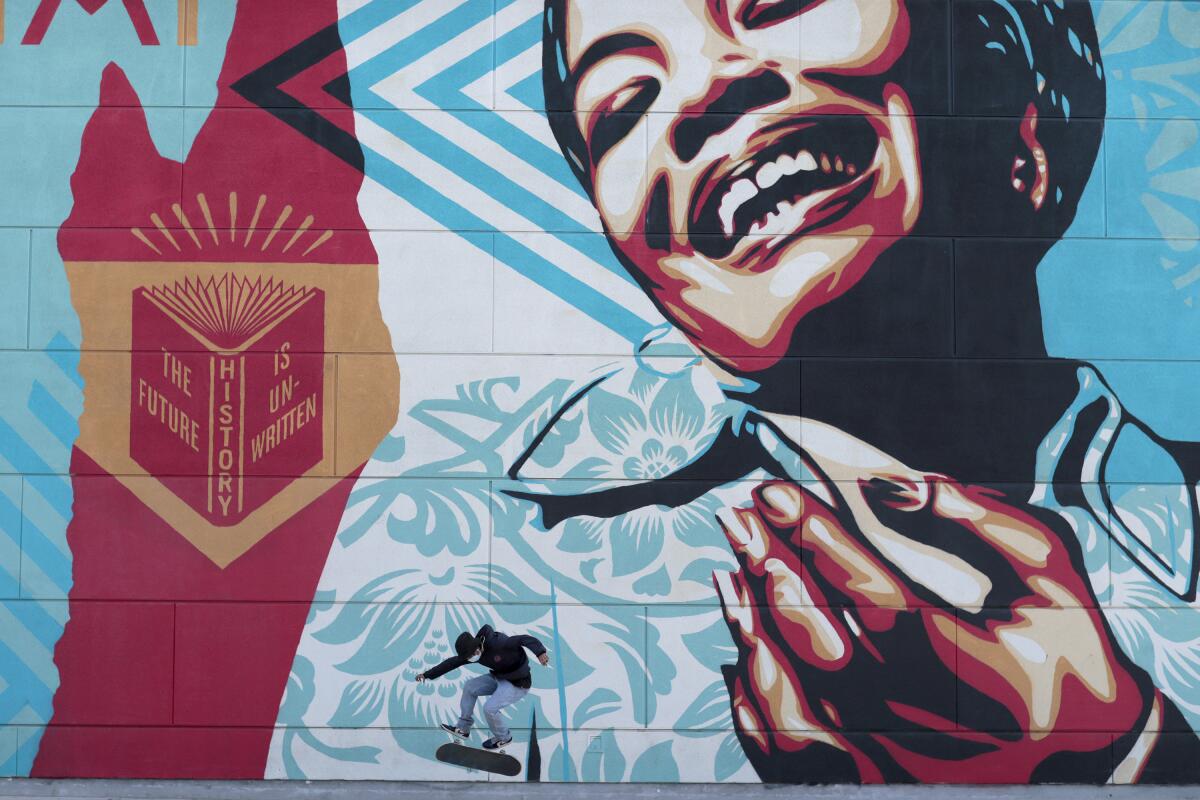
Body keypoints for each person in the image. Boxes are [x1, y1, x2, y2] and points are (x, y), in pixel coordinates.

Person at [528, 0, 1200, 783]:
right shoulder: (526, 593)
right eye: (626, 105)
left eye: (777, 7)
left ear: (1018, 110)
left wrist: (1126, 753)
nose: (702, 96)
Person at [416, 624, 551, 750]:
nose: (474, 657)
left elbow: (524, 639)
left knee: (489, 708)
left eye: (474, 654)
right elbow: (451, 663)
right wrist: (426, 675)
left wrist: (540, 652)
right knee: (470, 687)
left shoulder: (500, 643)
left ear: (479, 646)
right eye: (469, 657)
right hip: (499, 677)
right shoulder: (470, 653)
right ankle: (463, 728)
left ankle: (504, 738)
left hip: (518, 683)